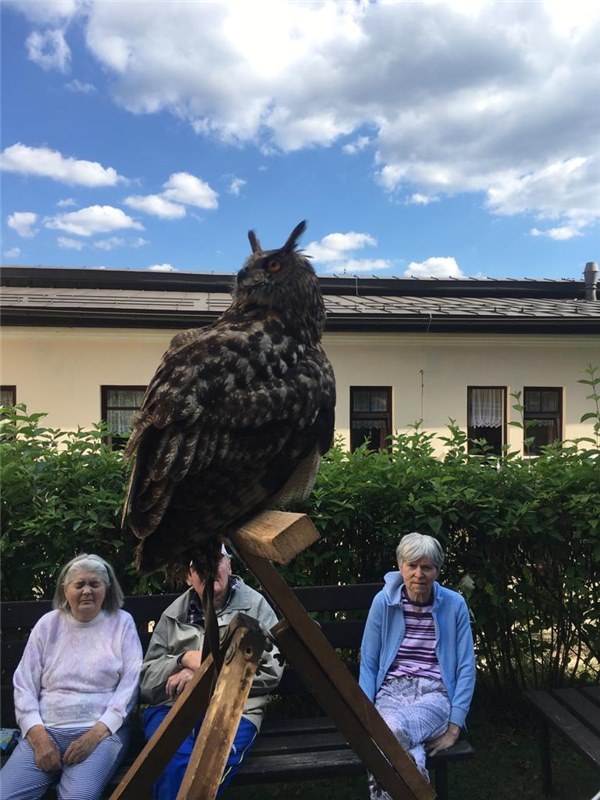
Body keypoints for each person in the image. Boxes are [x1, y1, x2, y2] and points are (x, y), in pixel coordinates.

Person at [140, 544, 283, 799]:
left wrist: (204, 675)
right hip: (173, 707)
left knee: (208, 771)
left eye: (215, 560)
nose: (207, 569)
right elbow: (147, 681)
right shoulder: (173, 615)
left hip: (235, 710)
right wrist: (183, 660)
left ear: (229, 565)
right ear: (188, 576)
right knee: (170, 762)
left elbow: (272, 670)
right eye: (198, 565)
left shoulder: (255, 606)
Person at [0, 553, 143, 800]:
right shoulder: (48, 625)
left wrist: (94, 735)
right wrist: (39, 739)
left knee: (79, 797)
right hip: (46, 731)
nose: (87, 591)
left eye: (95, 584)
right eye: (79, 585)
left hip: (101, 734)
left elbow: (130, 686)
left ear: (106, 589)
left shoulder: (122, 623)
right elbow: (24, 685)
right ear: (65, 590)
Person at [359, 532, 475, 794]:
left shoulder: (454, 605)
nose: (418, 574)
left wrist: (454, 728)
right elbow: (369, 662)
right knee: (410, 750)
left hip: (435, 694)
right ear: (400, 566)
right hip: (391, 692)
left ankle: (385, 781)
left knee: (387, 733)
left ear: (437, 571)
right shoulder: (383, 603)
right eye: (412, 566)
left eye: (427, 567)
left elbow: (466, 667)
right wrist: (364, 714)